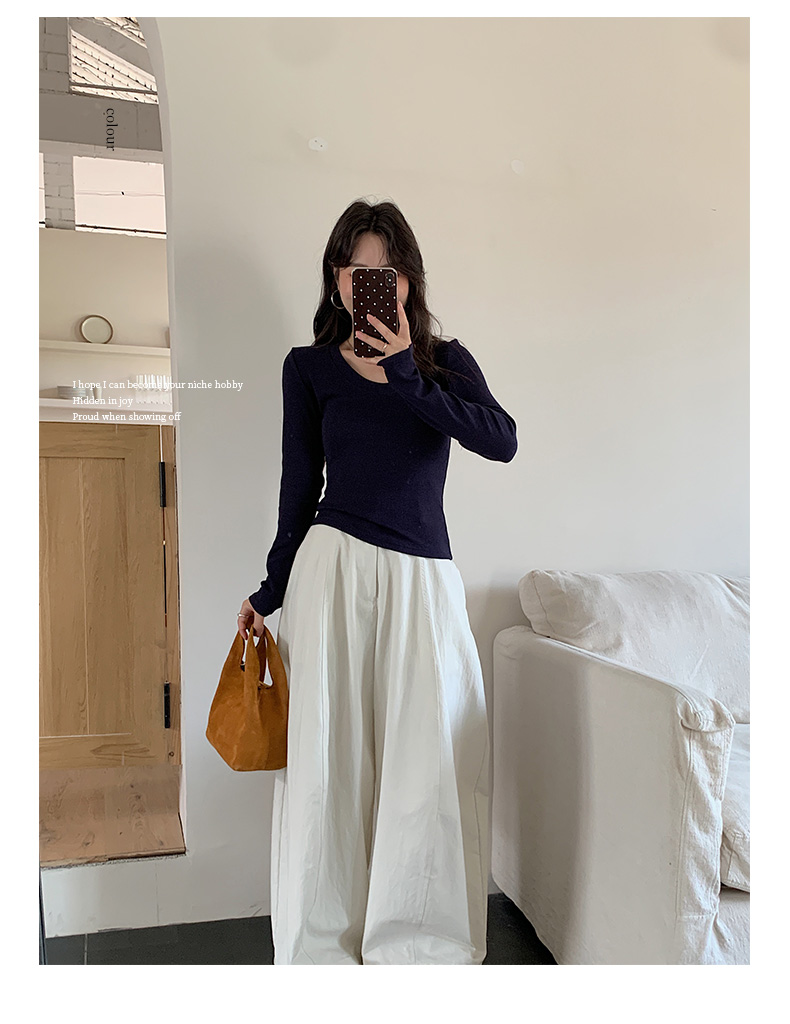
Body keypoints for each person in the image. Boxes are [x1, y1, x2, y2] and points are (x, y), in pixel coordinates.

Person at [236, 198, 518, 965]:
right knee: (328, 764)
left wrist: (405, 374)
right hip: (331, 574)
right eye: (356, 269)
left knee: (428, 762)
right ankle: (324, 946)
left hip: (422, 581)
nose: (370, 282)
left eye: (385, 271)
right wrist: (269, 592)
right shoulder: (308, 368)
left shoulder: (442, 360)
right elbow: (299, 489)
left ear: (407, 280)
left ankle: (417, 941)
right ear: (336, 279)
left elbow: (502, 441)